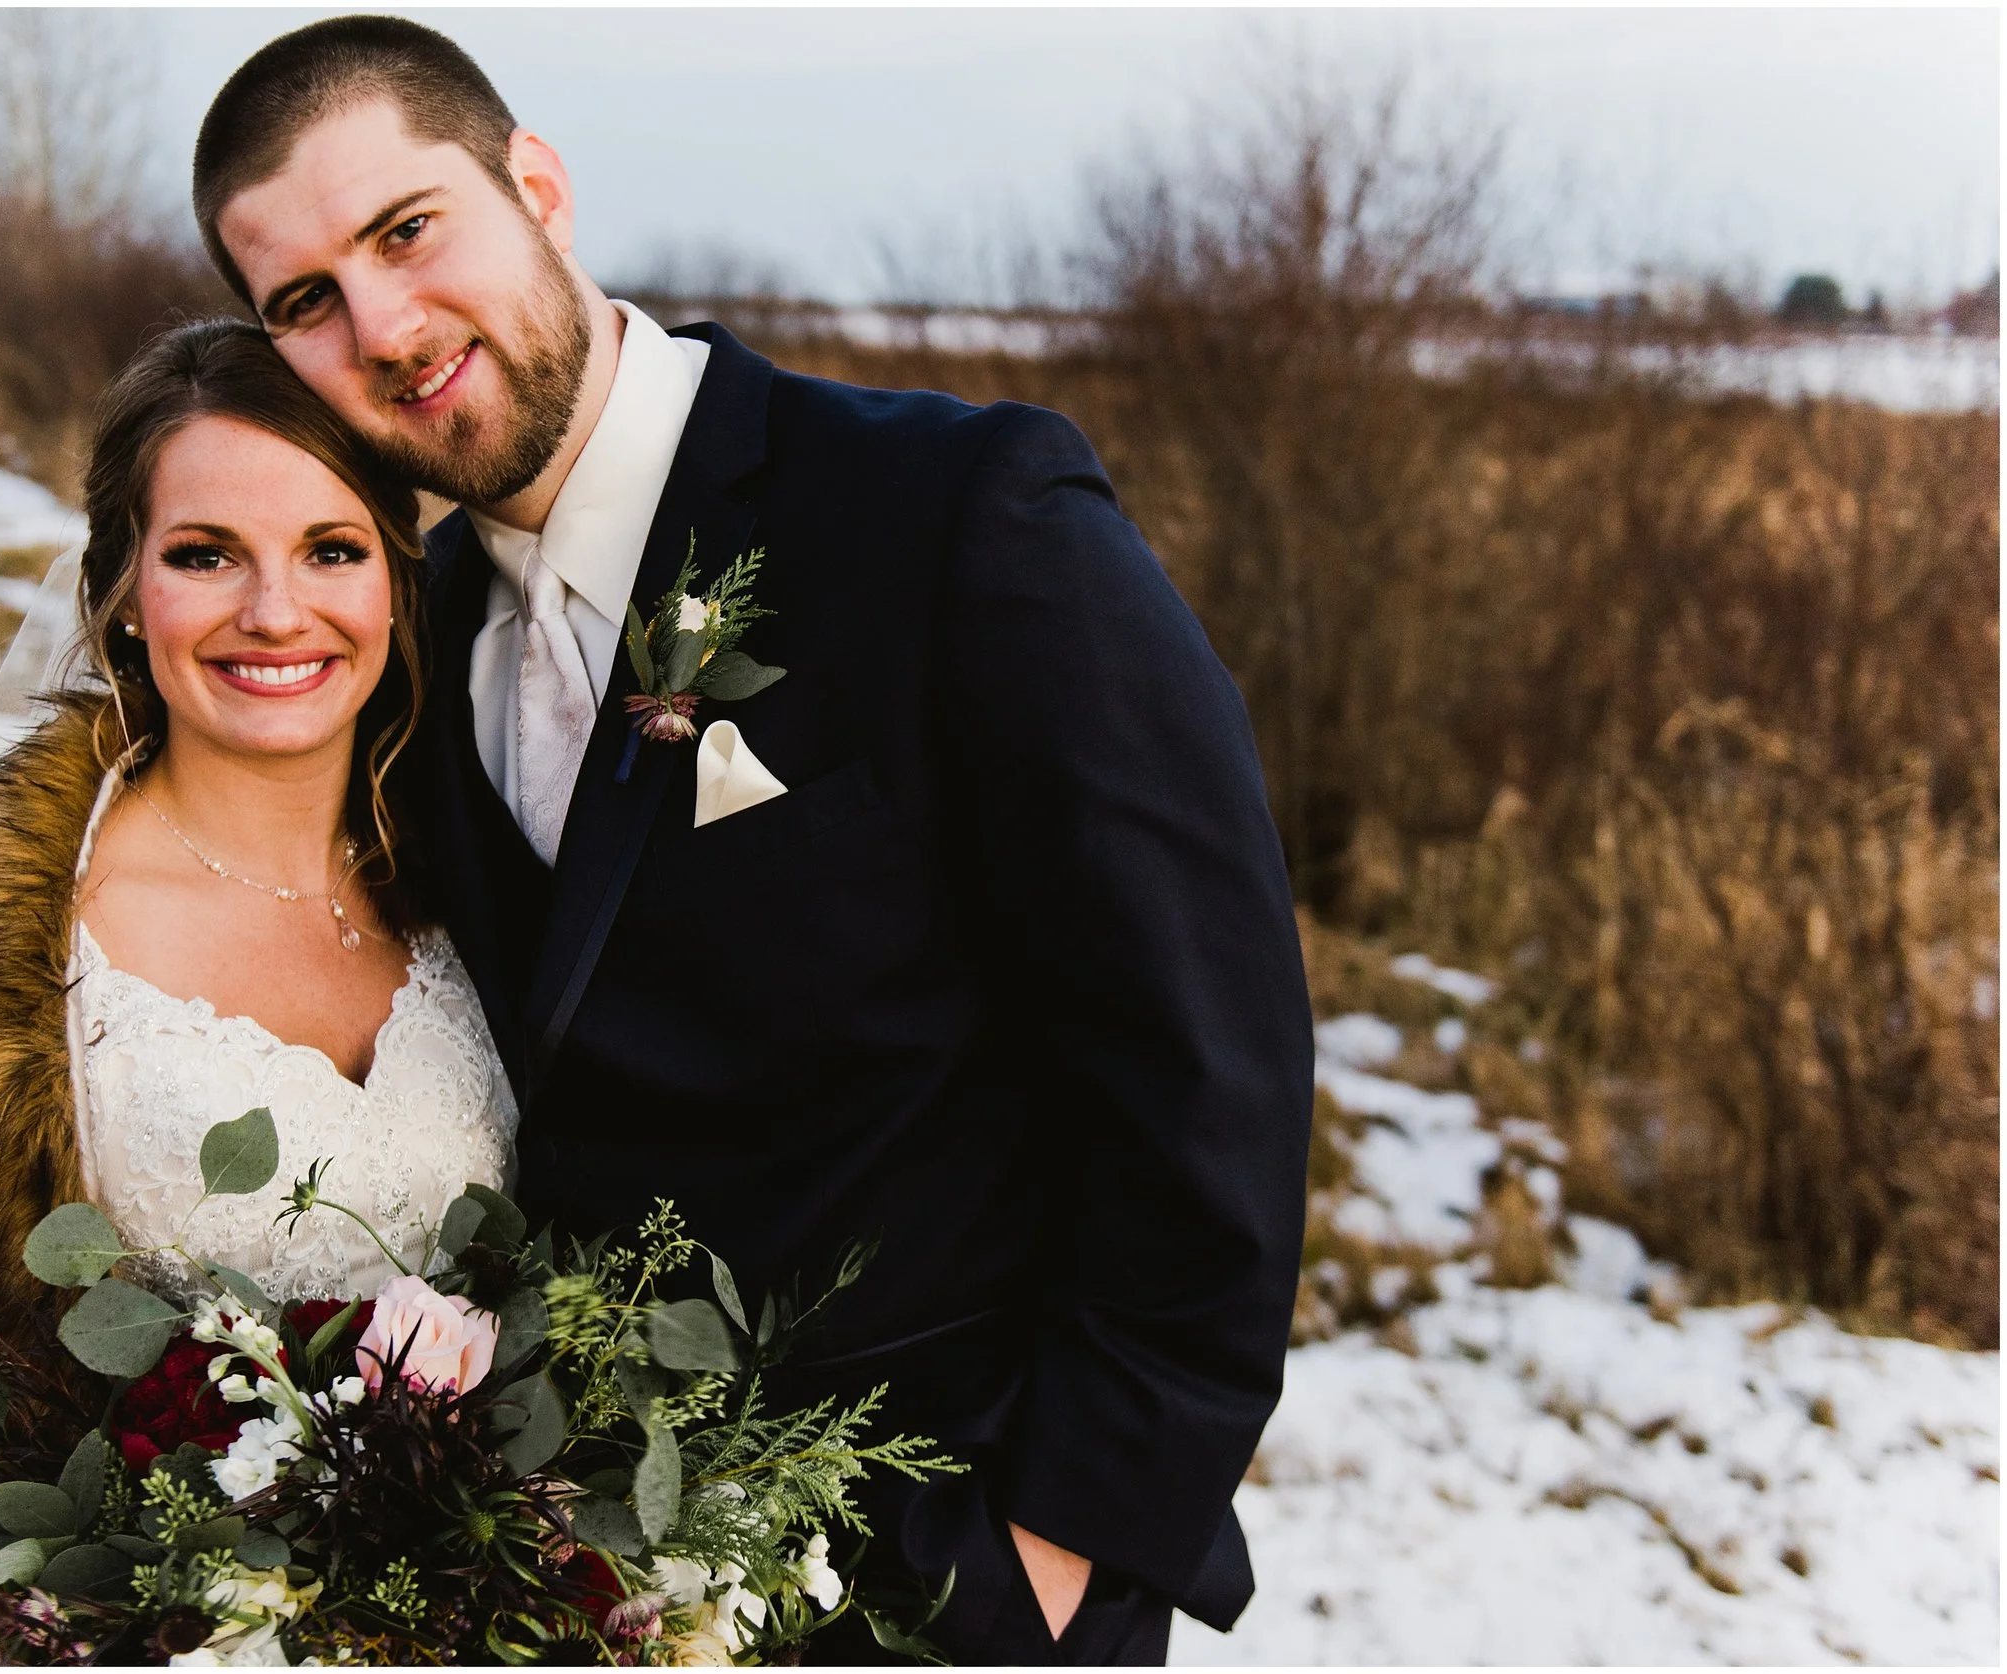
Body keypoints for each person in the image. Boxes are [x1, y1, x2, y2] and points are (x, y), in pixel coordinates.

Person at [194, 15, 1314, 1664]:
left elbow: (1208, 1057)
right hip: (578, 1591)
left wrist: (1051, 1554)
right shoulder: (401, 648)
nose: (385, 327)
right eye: (303, 300)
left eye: (407, 230)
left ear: (537, 187)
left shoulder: (957, 517)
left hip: (951, 1570)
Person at [0, 320, 517, 1665]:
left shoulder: (473, 883)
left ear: (395, 582)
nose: (275, 611)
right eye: (205, 554)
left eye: (331, 549)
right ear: (125, 588)